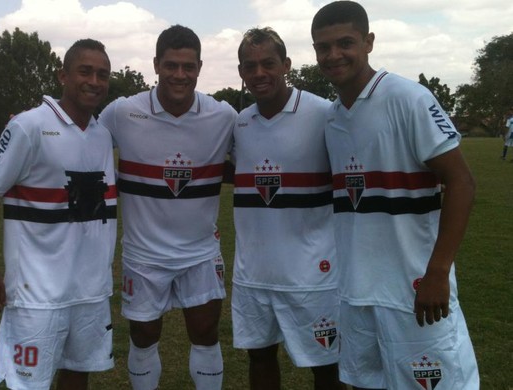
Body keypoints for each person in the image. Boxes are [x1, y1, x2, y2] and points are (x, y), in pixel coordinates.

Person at [311, 2, 480, 389]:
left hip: (415, 288)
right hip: (357, 291)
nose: (333, 55)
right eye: (323, 47)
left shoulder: (409, 98)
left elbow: (462, 182)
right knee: (368, 383)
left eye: (345, 43)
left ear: (369, 42)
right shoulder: (334, 116)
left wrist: (437, 272)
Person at [0, 39, 117, 390]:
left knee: (78, 373)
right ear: (63, 75)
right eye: (85, 71)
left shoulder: (102, 134)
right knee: (28, 384)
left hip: (91, 290)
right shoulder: (29, 125)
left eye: (102, 74)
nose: (94, 81)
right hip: (37, 293)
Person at [99, 25, 236, 390]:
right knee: (144, 335)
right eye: (171, 65)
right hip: (143, 254)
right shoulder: (123, 112)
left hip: (201, 251)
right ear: (156, 64)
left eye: (188, 67)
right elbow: (83, 137)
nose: (180, 75)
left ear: (200, 67)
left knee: (206, 333)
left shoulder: (223, 116)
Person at [229, 27, 344, 390]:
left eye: (268, 63)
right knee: (260, 357)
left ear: (287, 65)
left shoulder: (323, 114)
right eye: (250, 66)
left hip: (312, 274)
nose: (259, 73)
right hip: (253, 273)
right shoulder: (241, 122)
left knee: (327, 365)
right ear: (241, 72)